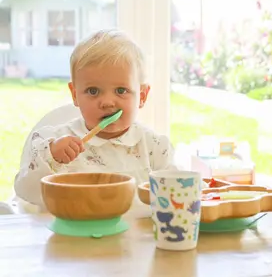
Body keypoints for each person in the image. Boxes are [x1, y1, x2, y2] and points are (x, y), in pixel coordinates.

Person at [14, 29, 176, 211]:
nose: (107, 102)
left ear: (143, 95)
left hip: (136, 239)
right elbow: (25, 192)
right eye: (93, 91)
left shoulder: (155, 148)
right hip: (72, 238)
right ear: (75, 94)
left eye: (121, 90)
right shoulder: (53, 144)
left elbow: (179, 196)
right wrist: (51, 158)